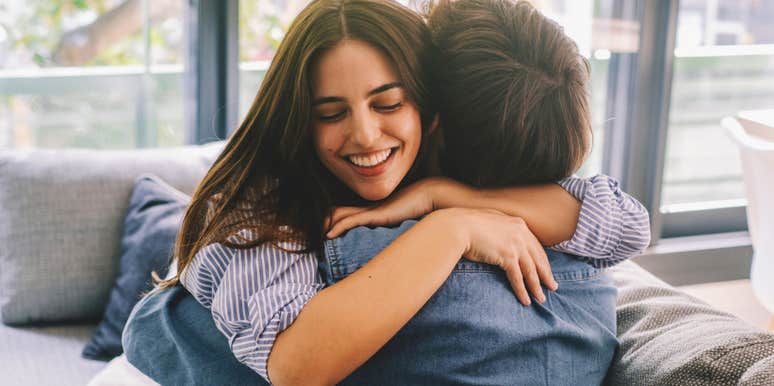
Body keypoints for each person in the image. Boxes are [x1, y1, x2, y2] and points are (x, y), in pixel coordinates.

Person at [122, 0, 649, 384]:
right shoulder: (261, 205)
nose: (365, 136)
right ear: (298, 120)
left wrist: (442, 194)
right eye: (330, 113)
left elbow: (626, 224)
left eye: (388, 104)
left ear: (429, 110)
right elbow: (296, 366)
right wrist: (452, 229)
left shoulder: (447, 169)